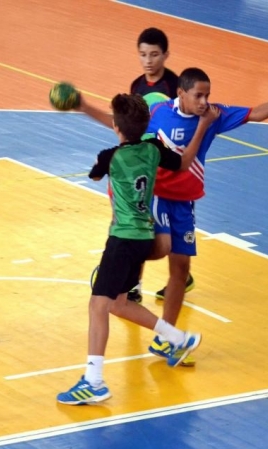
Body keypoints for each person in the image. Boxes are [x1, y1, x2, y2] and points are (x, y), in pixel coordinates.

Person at [56, 94, 217, 405]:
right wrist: (200, 129)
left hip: (122, 239)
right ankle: (179, 338)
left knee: (98, 306)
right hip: (145, 236)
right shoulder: (154, 149)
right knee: (117, 304)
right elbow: (184, 163)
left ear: (116, 126)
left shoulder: (109, 156)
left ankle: (94, 381)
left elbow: (94, 174)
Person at [144, 67, 268, 365]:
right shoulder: (158, 111)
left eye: (208, 95)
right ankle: (117, 265)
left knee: (180, 270)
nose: (205, 101)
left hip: (185, 203)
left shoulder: (214, 116)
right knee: (154, 248)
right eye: (199, 95)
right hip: (158, 197)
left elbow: (254, 113)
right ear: (181, 93)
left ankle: (166, 339)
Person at [127, 27, 194, 304]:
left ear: (165, 55)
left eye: (154, 55)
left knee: (168, 227)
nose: (148, 61)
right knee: (140, 221)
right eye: (143, 54)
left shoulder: (175, 86)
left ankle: (181, 277)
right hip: (146, 164)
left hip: (170, 166)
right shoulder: (136, 85)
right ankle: (134, 284)